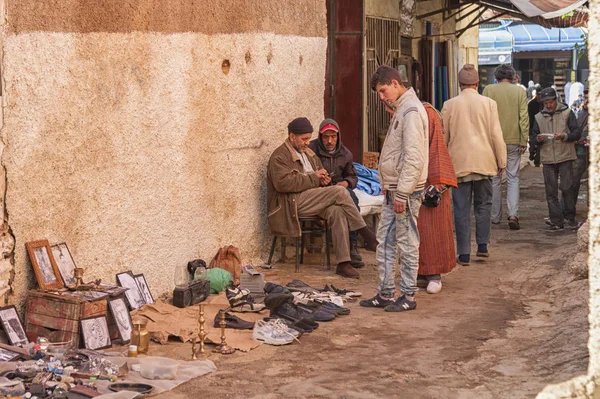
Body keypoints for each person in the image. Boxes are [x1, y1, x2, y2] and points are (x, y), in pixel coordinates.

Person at [266, 117, 378, 279]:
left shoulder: (309, 154)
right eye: (304, 139)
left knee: (337, 210)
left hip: (309, 199)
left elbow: (319, 177)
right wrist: (314, 178)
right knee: (340, 192)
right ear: (292, 137)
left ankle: (343, 263)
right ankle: (366, 234)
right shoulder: (280, 156)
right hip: (289, 203)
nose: (307, 143)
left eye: (308, 139)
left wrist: (324, 180)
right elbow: (283, 184)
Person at [359, 65, 428, 312]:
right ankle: (386, 293)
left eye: (383, 90)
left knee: (406, 242)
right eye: (378, 92)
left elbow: (414, 157)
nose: (381, 97)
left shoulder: (410, 111)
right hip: (393, 188)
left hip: (404, 191)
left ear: (396, 84)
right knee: (385, 240)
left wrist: (402, 192)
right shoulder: (401, 110)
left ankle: (408, 296)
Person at [441, 64, 507, 266]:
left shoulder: (449, 104)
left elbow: (444, 138)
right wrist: (501, 160)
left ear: (460, 84)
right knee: (483, 206)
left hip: (459, 165)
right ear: (477, 83)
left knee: (460, 209)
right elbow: (496, 134)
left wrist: (442, 164)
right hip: (484, 162)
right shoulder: (489, 104)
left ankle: (463, 254)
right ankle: (482, 247)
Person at [308, 119, 364, 268]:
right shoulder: (311, 150)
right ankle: (365, 233)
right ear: (320, 137)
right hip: (319, 191)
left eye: (333, 136)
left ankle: (352, 245)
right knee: (344, 196)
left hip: (339, 189)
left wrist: (346, 183)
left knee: (351, 197)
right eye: (326, 137)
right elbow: (306, 173)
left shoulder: (345, 154)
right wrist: (318, 179)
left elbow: (353, 176)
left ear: (338, 136)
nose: (329, 141)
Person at [416, 103, 458, 294]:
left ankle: (434, 274)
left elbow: (436, 150)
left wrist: (437, 183)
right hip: (413, 178)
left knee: (433, 227)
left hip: (431, 179)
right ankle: (420, 272)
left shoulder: (427, 114)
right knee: (416, 230)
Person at [483, 64, 529, 230]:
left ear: (496, 76)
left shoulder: (488, 90)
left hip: (493, 141)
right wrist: (524, 140)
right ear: (513, 77)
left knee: (495, 178)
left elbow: (484, 117)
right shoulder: (519, 91)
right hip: (513, 140)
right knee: (513, 177)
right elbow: (523, 117)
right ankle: (513, 214)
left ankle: (495, 216)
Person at [531, 87, 581, 231]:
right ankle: (556, 221)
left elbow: (576, 133)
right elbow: (533, 136)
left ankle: (570, 217)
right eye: (545, 103)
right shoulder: (538, 117)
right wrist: (538, 139)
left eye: (550, 102)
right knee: (550, 192)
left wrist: (564, 136)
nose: (548, 105)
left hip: (565, 156)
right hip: (548, 158)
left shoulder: (567, 113)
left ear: (556, 100)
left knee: (567, 188)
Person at [571, 90, 589, 213]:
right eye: (586, 98)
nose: (587, 102)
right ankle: (567, 210)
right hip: (580, 152)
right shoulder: (583, 113)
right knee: (572, 181)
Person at [528, 86, 543, 167]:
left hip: (542, 127)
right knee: (532, 143)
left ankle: (537, 161)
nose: (540, 96)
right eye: (538, 94)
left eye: (541, 94)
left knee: (540, 145)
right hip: (532, 126)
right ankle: (531, 154)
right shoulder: (531, 104)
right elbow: (529, 116)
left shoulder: (544, 104)